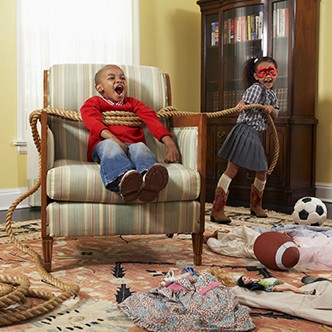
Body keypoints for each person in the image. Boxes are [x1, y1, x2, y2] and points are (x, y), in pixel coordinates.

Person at [80, 65, 180, 202]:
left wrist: (170, 144)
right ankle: (122, 180)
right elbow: (91, 121)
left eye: (122, 78)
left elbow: (152, 120)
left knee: (140, 147)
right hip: (104, 146)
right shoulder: (94, 102)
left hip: (131, 147)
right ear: (99, 88)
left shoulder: (133, 103)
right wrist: (114, 139)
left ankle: (148, 180)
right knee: (109, 146)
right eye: (111, 78)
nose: (119, 81)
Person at [211, 56, 280, 223]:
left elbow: (276, 114)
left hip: (255, 134)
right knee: (232, 169)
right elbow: (243, 101)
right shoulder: (255, 89)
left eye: (271, 71)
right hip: (245, 131)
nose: (268, 76)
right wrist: (240, 105)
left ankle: (256, 205)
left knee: (262, 171)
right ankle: (217, 209)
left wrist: (271, 110)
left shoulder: (272, 95)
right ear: (256, 76)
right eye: (263, 73)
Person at [237, 275, 316, 295]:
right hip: (271, 288)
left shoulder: (254, 281)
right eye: (245, 279)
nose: (247, 278)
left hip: (271, 285)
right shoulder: (254, 285)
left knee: (288, 286)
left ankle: (302, 291)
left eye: (246, 277)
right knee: (289, 288)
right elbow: (262, 287)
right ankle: (305, 292)